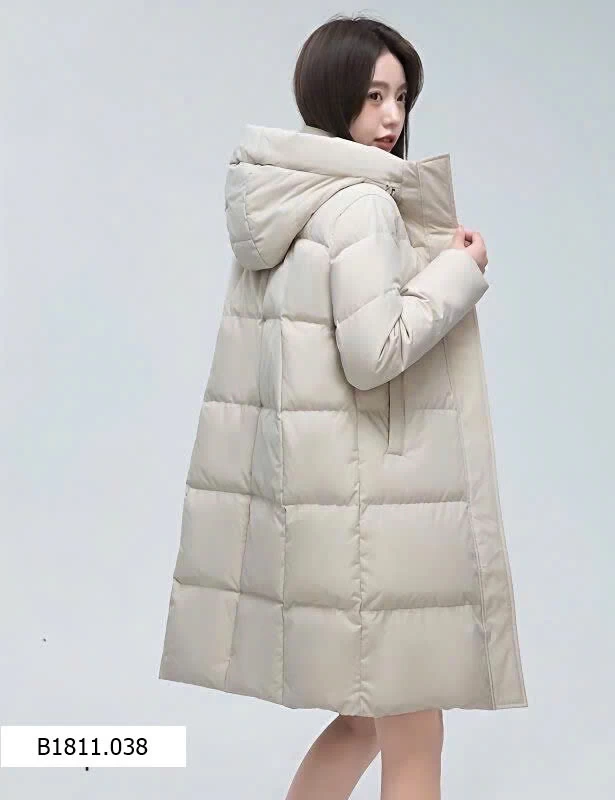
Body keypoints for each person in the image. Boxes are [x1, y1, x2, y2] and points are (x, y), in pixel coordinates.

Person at [158, 13, 527, 800]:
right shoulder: (361, 204)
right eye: (372, 97)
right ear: (334, 98)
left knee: (364, 721)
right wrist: (459, 272)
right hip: (382, 508)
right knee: (414, 727)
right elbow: (373, 353)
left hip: (331, 503)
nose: (391, 118)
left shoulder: (289, 197)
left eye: (401, 97)